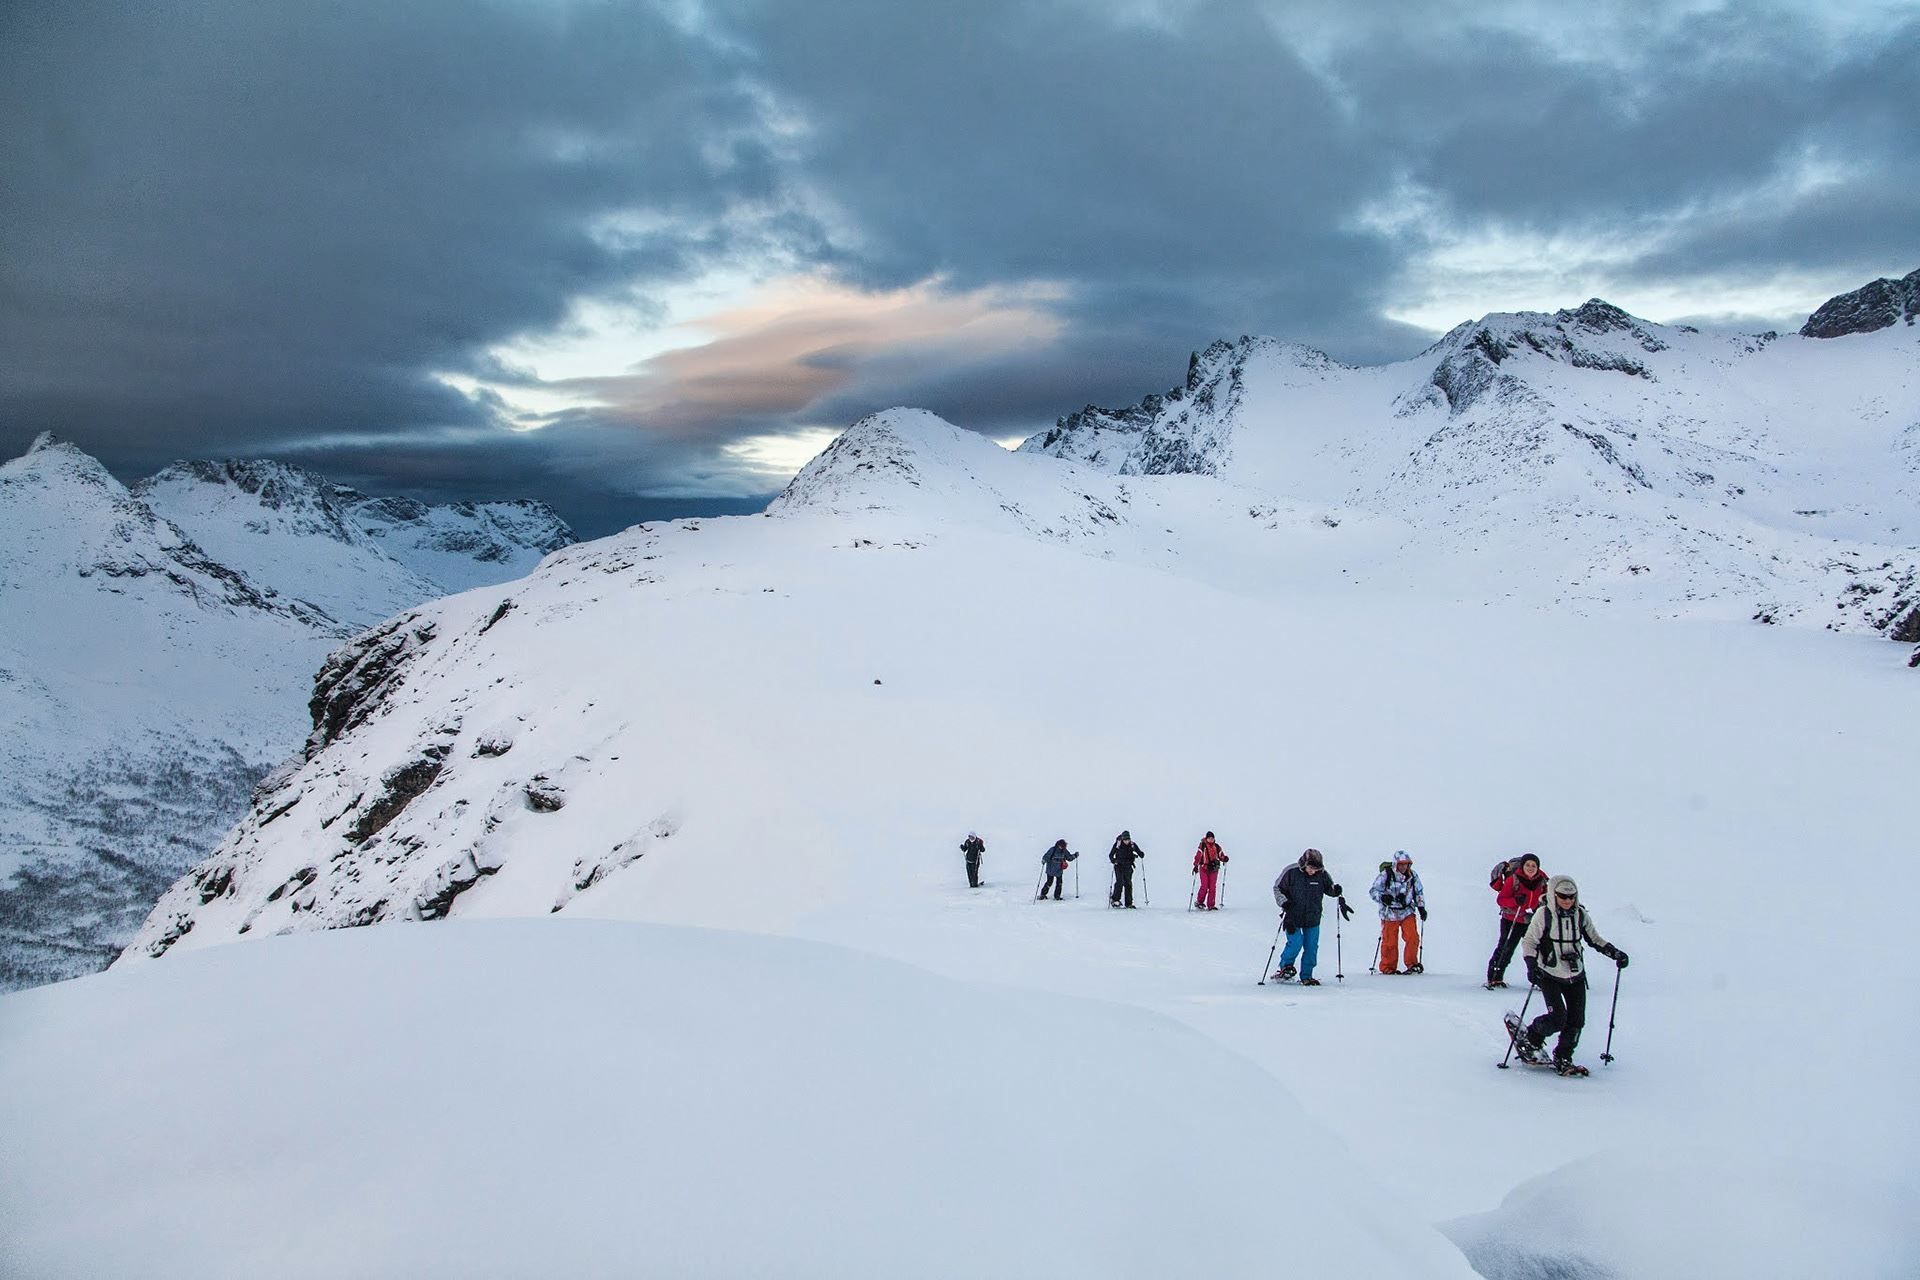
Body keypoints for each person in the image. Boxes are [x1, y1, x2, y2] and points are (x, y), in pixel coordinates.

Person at [1507, 875, 1629, 1076]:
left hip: (1575, 974)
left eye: (1571, 897)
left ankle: (1564, 1056)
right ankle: (1532, 1036)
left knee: (1576, 1020)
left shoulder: (1580, 915)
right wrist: (1531, 966)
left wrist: (1614, 952)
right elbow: (1529, 942)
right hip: (1549, 974)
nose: (1567, 901)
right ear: (1554, 895)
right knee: (1557, 1018)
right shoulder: (1544, 914)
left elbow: (1594, 939)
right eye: (1563, 896)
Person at [1270, 848, 1350, 986]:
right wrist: (1284, 902)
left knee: (1311, 947)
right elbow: (1277, 888)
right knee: (1295, 942)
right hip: (1292, 916)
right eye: (1311, 868)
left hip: (1313, 916)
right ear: (1304, 863)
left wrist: (1335, 891)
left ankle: (1307, 975)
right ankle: (1285, 967)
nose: (1313, 871)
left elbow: (1329, 889)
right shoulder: (1291, 871)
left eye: (1316, 869)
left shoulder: (1322, 874)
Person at [1485, 854, 1548, 988]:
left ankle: (1539, 979)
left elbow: (1546, 896)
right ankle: (1494, 978)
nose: (1530, 868)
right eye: (1528, 865)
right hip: (1512, 918)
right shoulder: (1513, 879)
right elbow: (1501, 900)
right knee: (1506, 948)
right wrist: (1515, 901)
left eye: (1534, 866)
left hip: (1532, 920)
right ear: (1522, 866)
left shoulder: (1542, 880)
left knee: (1536, 949)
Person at [1369, 850, 1426, 974]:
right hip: (1389, 913)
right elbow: (1373, 891)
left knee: (1413, 937)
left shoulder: (1413, 876)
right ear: (1396, 864)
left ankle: (1412, 964)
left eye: (1406, 864)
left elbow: (1419, 892)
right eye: (1401, 864)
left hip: (1407, 911)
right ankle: (1388, 967)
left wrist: (1421, 907)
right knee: (1389, 941)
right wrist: (1383, 898)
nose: (1403, 867)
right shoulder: (1386, 875)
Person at [1108, 830, 1146, 908]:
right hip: (1119, 866)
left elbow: (1139, 852)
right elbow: (1111, 855)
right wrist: (1113, 861)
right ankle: (1115, 899)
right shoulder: (1117, 844)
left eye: (1128, 840)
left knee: (1128, 884)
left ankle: (1129, 903)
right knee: (1120, 882)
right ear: (1122, 839)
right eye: (1125, 840)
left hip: (1128, 866)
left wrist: (1141, 854)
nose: (1126, 841)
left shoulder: (1132, 845)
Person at [1192, 832, 1228, 910]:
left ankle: (1211, 905)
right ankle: (1199, 902)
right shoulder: (1203, 846)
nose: (1211, 840)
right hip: (1204, 868)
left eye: (1212, 838)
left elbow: (1221, 855)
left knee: (1212, 887)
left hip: (1214, 869)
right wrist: (1195, 865)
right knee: (1204, 886)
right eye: (1209, 838)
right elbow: (1198, 856)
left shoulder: (1217, 847)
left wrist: (1224, 858)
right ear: (1206, 838)